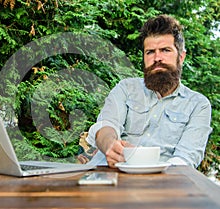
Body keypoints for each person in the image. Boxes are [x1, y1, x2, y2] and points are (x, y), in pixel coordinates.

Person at [86, 14, 212, 168]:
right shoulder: (126, 88)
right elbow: (106, 125)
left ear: (181, 57)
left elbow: (185, 159)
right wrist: (110, 144)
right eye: (150, 52)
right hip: (105, 175)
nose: (157, 58)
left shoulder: (198, 105)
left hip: (161, 184)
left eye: (165, 50)